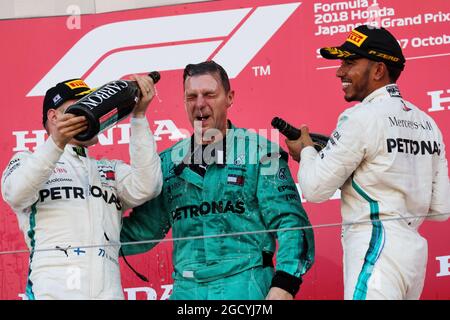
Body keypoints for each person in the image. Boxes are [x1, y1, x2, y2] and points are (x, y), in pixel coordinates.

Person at [120, 60, 315, 300]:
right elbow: (144, 230)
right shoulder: (167, 163)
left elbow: (291, 224)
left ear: (229, 97)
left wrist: (285, 285)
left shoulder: (262, 154)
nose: (200, 104)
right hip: (187, 290)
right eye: (192, 96)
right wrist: (86, 236)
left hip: (247, 286)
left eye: (209, 94)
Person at [285, 25, 450, 300]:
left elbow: (314, 189)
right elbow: (441, 209)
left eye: (350, 63)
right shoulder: (428, 124)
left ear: (378, 70)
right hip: (413, 256)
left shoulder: (360, 117)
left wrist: (307, 152)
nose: (340, 72)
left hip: (376, 247)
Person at [1, 75, 163, 299]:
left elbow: (148, 186)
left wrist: (139, 117)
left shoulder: (109, 169)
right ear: (54, 116)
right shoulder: (27, 161)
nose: (92, 112)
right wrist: (57, 142)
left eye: (95, 104)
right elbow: (15, 194)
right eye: (83, 106)